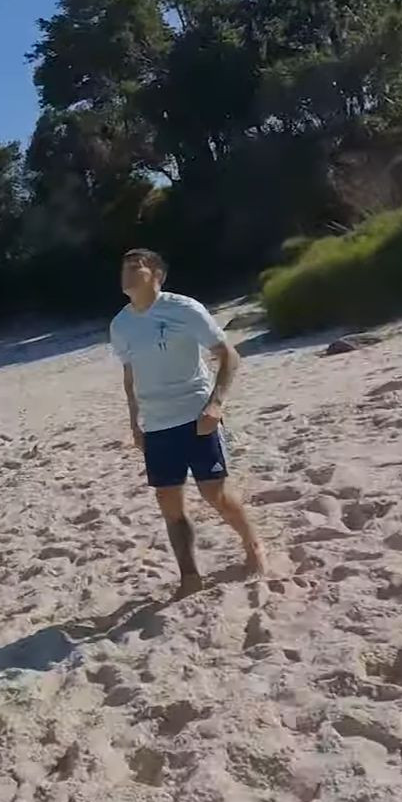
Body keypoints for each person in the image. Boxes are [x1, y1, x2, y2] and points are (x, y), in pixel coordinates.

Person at [111, 248, 267, 596]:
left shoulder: (183, 309)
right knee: (169, 505)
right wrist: (135, 423)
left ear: (157, 275)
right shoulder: (120, 325)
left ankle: (253, 545)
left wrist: (216, 405)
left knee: (216, 495)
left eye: (137, 266)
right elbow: (129, 376)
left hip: (196, 416)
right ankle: (189, 577)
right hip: (156, 425)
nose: (128, 272)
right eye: (124, 267)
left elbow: (229, 355)